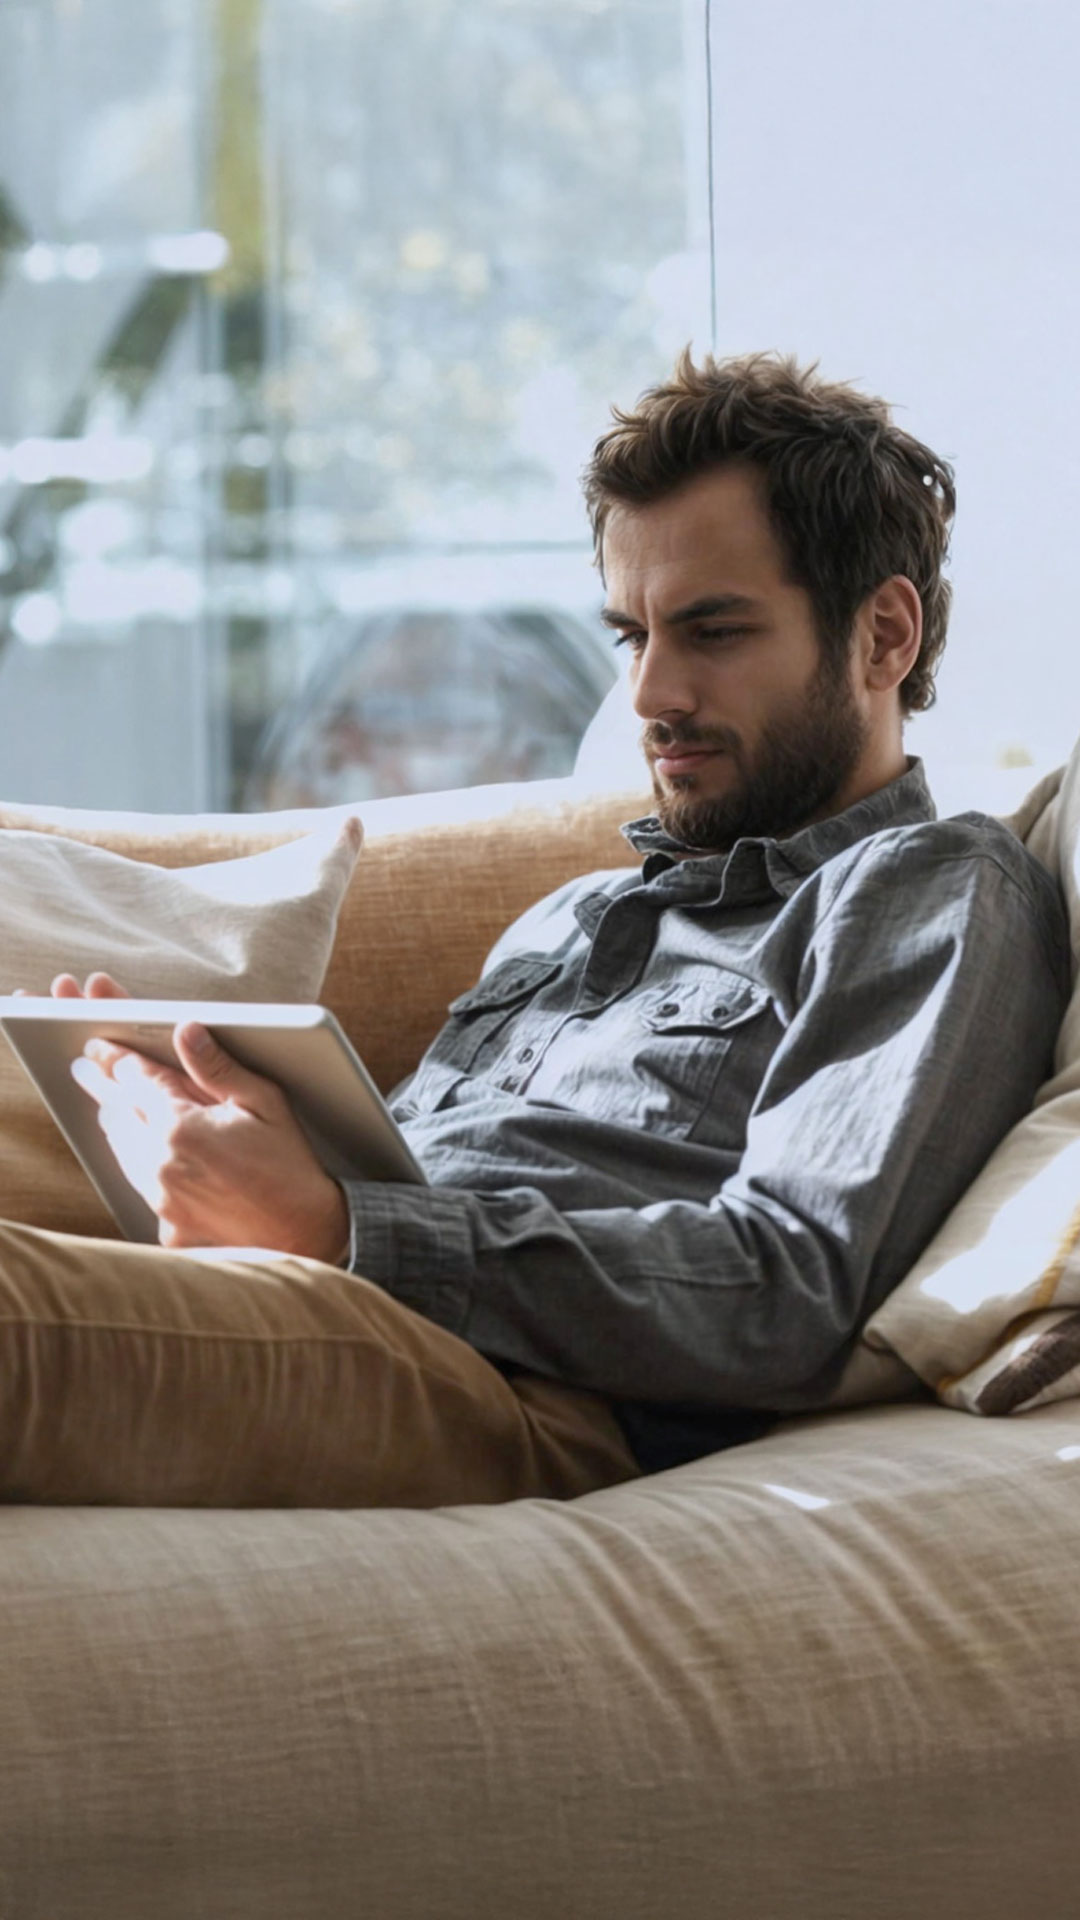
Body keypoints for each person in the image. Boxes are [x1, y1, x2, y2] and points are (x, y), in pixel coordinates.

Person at [2, 351, 1068, 1506]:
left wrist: (344, 1226)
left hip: (527, 1391)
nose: (653, 695)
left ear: (883, 638)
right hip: (339, 1309)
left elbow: (790, 1290)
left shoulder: (925, 887)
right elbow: (406, 1172)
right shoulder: (572, 917)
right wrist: (238, 1158)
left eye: (713, 632)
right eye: (632, 635)